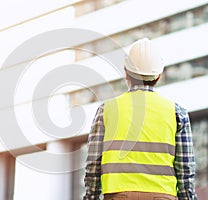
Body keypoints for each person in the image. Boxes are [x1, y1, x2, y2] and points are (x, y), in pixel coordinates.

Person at [83, 38, 197, 200]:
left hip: (119, 196)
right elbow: (186, 170)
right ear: (158, 75)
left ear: (126, 72)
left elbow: (93, 165)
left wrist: (91, 197)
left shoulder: (106, 110)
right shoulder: (177, 112)